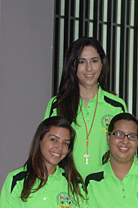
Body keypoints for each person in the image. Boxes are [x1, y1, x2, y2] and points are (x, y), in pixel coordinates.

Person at [44, 37, 127, 179]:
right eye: (82, 62)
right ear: (72, 65)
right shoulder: (57, 104)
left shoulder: (116, 106)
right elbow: (46, 147)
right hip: (65, 186)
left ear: (102, 64)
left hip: (103, 186)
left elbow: (124, 150)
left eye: (94, 61)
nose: (89, 68)